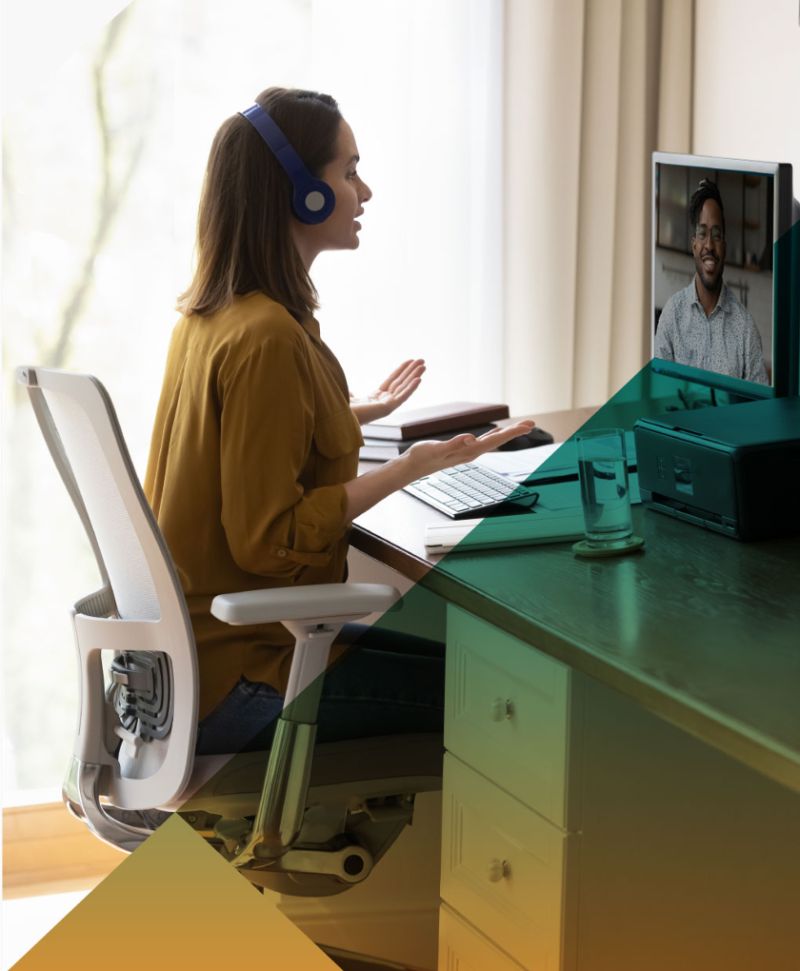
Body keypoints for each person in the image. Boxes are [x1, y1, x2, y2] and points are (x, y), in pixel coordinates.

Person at [144, 87, 534, 756]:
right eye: (349, 172)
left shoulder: (213, 318)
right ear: (302, 193)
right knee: (511, 697)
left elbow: (245, 443)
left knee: (477, 669)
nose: (366, 192)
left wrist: (354, 414)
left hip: (188, 674)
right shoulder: (267, 336)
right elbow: (270, 539)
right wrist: (410, 467)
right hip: (246, 675)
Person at [654, 179, 769, 385]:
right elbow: (660, 396)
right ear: (694, 245)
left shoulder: (745, 329)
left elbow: (758, 409)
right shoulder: (672, 315)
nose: (709, 244)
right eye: (703, 234)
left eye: (716, 235)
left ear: (724, 249)